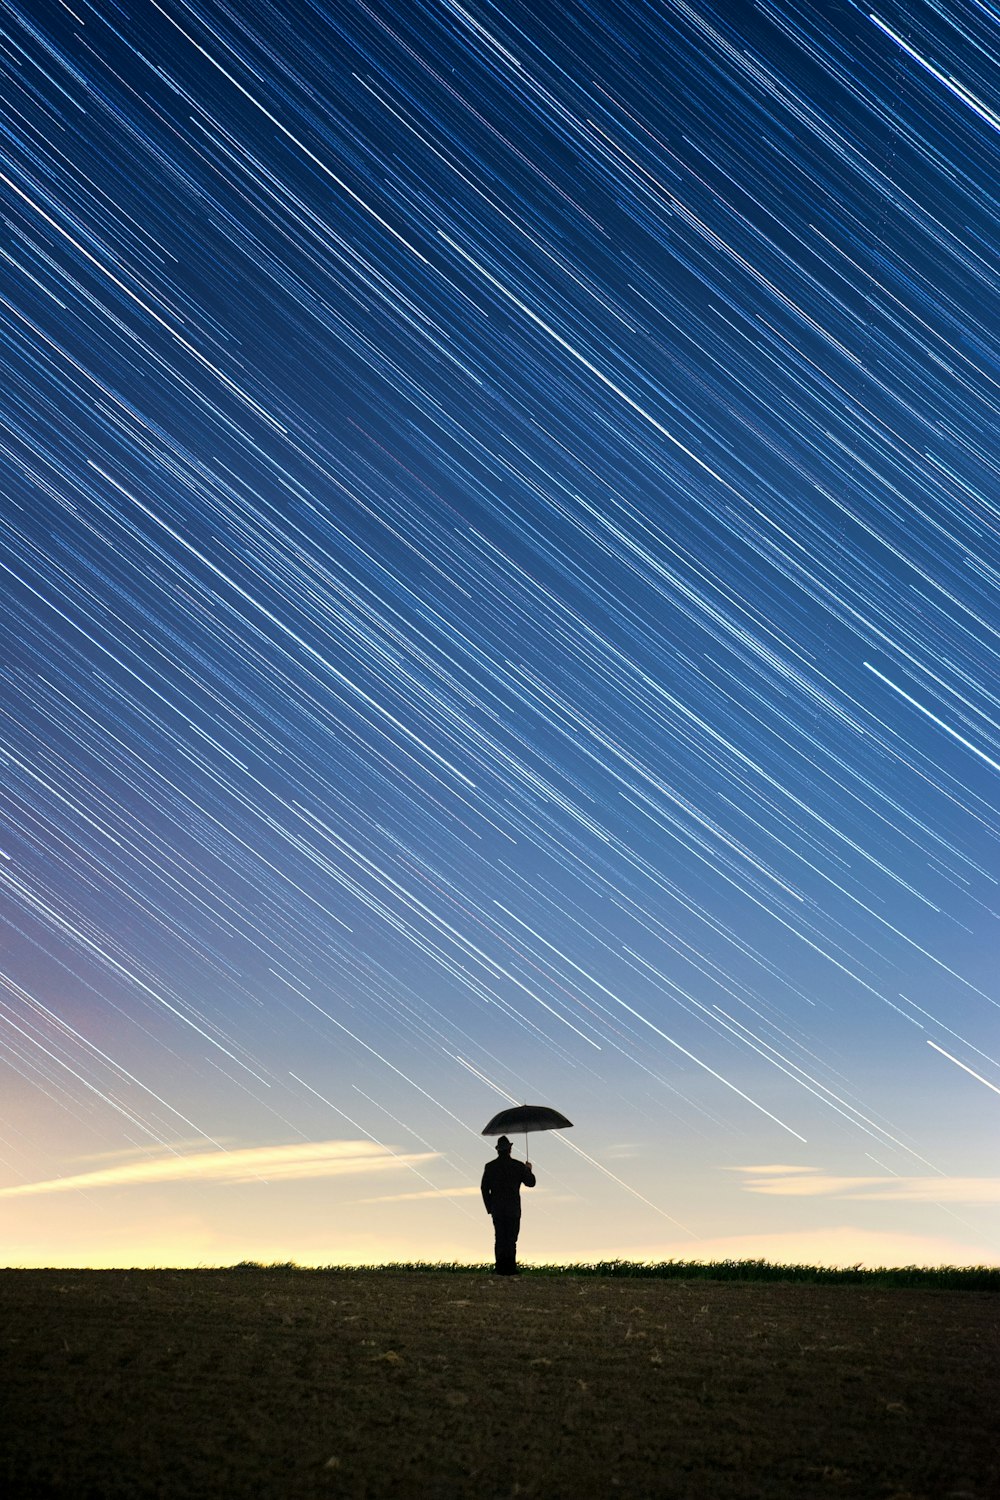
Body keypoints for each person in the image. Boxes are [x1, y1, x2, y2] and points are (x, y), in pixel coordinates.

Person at [480, 1135, 536, 1275]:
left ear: (498, 1150)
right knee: (511, 1239)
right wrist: (528, 1169)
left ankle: (500, 1267)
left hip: (497, 1209)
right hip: (513, 1209)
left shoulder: (490, 1167)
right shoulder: (518, 1166)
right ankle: (510, 1268)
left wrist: (490, 1207)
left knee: (499, 1238)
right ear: (510, 1149)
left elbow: (484, 1188)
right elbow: (531, 1183)